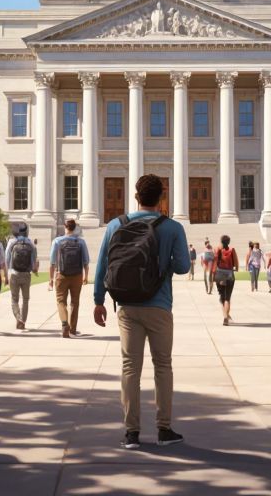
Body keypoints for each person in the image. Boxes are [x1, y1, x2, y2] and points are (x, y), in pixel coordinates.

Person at [93, 174, 192, 450]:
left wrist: (99, 300)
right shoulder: (172, 228)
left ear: (135, 196)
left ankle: (131, 433)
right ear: (162, 198)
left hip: (127, 306)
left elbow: (103, 265)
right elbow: (183, 267)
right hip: (159, 306)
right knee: (163, 366)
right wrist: (164, 267)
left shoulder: (116, 224)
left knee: (130, 368)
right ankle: (164, 429)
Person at [51, 219, 90, 338]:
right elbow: (86, 261)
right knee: (75, 302)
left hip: (61, 274)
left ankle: (64, 324)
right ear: (75, 227)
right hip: (77, 275)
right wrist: (86, 276)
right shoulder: (81, 242)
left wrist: (51, 279)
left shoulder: (57, 241)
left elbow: (52, 262)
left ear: (65, 227)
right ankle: (73, 329)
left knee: (61, 300)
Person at [5, 224, 40, 331]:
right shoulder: (31, 244)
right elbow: (34, 264)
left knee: (14, 299)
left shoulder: (12, 242)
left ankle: (18, 318)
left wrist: (5, 276)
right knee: (25, 299)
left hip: (14, 274)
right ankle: (23, 321)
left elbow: (6, 260)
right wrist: (35, 270)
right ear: (27, 231)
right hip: (26, 274)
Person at [213, 236, 239, 325]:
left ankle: (225, 315)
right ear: (229, 242)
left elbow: (215, 263)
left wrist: (213, 275)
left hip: (219, 274)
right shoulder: (232, 250)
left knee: (222, 297)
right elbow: (236, 263)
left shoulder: (218, 250)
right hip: (229, 274)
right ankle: (226, 317)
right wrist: (236, 269)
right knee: (227, 297)